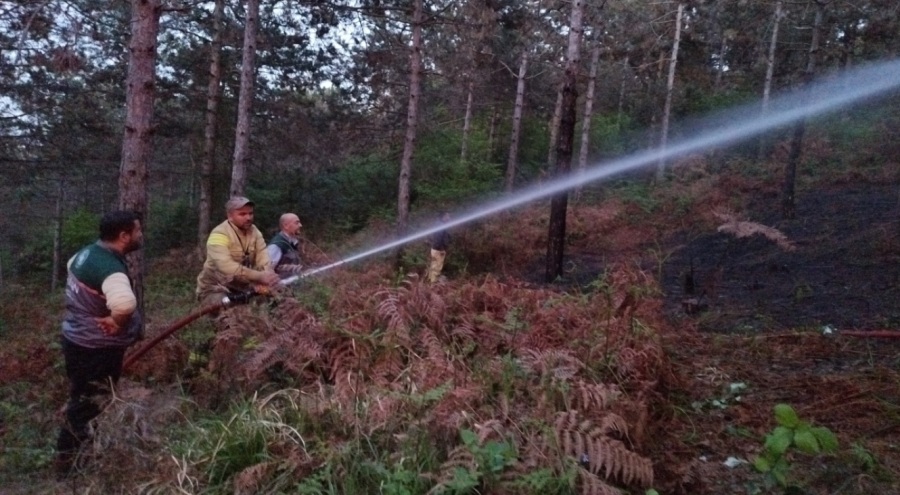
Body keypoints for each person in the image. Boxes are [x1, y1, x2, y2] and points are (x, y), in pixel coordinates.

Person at [55, 210, 145, 478]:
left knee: (84, 399)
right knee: (88, 403)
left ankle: (78, 457)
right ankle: (71, 468)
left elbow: (73, 268)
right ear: (123, 235)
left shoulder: (87, 254)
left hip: (77, 340)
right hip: (96, 348)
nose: (141, 235)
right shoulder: (110, 268)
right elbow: (125, 304)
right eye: (138, 230)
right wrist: (117, 321)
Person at [195, 196, 280, 307]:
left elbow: (263, 256)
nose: (248, 218)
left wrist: (268, 274)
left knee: (276, 298)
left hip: (243, 287)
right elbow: (226, 266)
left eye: (250, 213)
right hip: (215, 289)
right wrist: (260, 276)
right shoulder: (219, 234)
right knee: (227, 308)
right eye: (242, 214)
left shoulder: (255, 231)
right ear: (230, 216)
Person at [266, 212, 305, 279]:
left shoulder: (292, 241)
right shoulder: (276, 245)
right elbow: (267, 269)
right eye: (297, 223)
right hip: (281, 287)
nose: (300, 225)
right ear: (286, 226)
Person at [426, 212, 451, 283]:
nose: (449, 218)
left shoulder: (438, 224)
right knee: (437, 268)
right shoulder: (441, 226)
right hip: (438, 250)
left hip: (435, 249)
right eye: (448, 216)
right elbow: (438, 239)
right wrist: (441, 249)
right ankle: (433, 284)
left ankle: (430, 282)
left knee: (433, 267)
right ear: (443, 217)